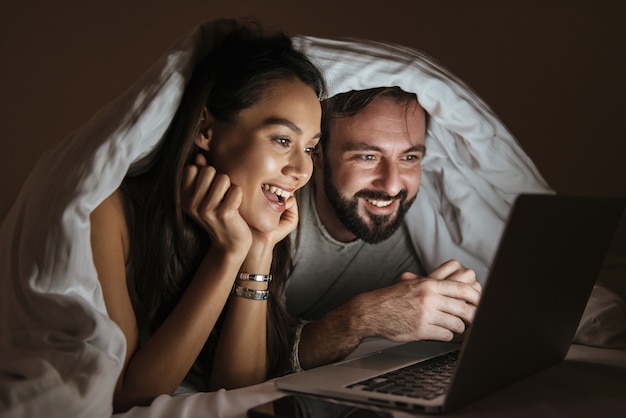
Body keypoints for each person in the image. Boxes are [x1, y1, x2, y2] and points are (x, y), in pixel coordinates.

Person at [89, 24, 324, 412]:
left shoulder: (253, 221)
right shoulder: (108, 212)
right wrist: (227, 253)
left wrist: (259, 248)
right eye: (283, 140)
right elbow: (130, 399)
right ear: (205, 129)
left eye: (310, 148)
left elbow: (241, 397)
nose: (301, 169)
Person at [285, 87, 482, 370]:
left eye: (409, 158)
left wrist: (461, 316)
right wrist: (362, 317)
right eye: (368, 156)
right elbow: (253, 363)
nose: (392, 186)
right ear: (317, 155)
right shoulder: (279, 220)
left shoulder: (424, 228)